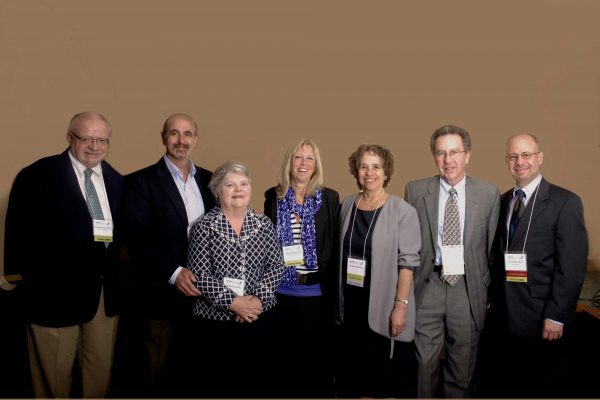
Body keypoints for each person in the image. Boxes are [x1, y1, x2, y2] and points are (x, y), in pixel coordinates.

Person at [4, 111, 122, 398]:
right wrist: (21, 281)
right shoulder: (37, 175)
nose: (95, 146)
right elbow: (17, 234)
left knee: (98, 379)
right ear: (69, 137)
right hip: (52, 297)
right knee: (54, 382)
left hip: (102, 298)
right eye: (86, 138)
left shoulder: (116, 179)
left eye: (102, 140)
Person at [119, 113, 215, 396]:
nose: (181, 140)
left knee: (193, 371)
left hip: (205, 295)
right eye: (174, 133)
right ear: (164, 137)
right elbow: (136, 241)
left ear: (196, 140)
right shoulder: (140, 182)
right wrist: (174, 273)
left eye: (187, 134)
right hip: (160, 295)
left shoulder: (211, 181)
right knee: (155, 373)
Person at [404, 124, 500, 397]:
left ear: (467, 155)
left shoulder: (489, 194)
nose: (448, 160)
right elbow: (408, 245)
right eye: (441, 153)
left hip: (468, 290)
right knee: (423, 363)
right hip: (428, 286)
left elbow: (492, 248)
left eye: (455, 152)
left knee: (463, 367)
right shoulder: (415, 190)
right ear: (434, 157)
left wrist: (487, 292)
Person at [489, 133, 588, 397]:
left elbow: (572, 266)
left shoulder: (564, 202)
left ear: (540, 158)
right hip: (505, 319)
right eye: (513, 156)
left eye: (526, 155)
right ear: (507, 161)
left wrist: (557, 315)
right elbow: (496, 256)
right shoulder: (502, 202)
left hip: (543, 319)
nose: (519, 161)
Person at [188, 161, 284, 398]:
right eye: (230, 184)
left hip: (258, 317)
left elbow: (276, 266)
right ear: (217, 191)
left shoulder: (263, 224)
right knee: (218, 385)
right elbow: (200, 275)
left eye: (243, 184)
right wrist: (235, 303)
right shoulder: (203, 226)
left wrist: (255, 300)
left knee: (256, 384)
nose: (238, 189)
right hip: (215, 323)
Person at [336, 144, 421, 398]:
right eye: (363, 166)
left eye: (376, 167)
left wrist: (401, 306)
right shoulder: (348, 204)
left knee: (382, 383)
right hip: (351, 306)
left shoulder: (402, 211)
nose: (369, 172)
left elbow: (408, 263)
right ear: (356, 171)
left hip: (384, 307)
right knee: (354, 380)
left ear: (386, 173)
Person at [264, 139, 340, 398]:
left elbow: (334, 246)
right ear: (290, 162)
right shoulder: (273, 197)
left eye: (310, 158)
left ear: (316, 165)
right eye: (299, 157)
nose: (304, 163)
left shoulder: (329, 198)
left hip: (316, 295)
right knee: (284, 363)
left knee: (315, 365)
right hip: (281, 293)